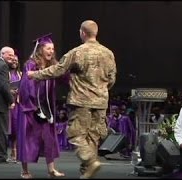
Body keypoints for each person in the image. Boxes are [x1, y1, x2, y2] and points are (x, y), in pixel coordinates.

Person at [27, 20, 117, 179]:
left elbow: (58, 70)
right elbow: (112, 79)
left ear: (82, 32)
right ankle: (87, 171)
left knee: (75, 134)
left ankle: (90, 161)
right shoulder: (108, 53)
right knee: (92, 137)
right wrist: (100, 90)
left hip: (81, 101)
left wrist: (35, 75)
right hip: (101, 102)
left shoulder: (77, 52)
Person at [17, 33, 65, 179]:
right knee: (27, 139)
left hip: (46, 108)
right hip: (30, 108)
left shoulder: (53, 65)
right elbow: (26, 86)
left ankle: (51, 169)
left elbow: (64, 77)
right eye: (48, 48)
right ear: (40, 50)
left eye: (52, 49)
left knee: (49, 138)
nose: (51, 51)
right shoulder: (30, 65)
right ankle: (24, 170)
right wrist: (33, 105)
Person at [6, 52, 22, 163]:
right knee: (9, 130)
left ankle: (15, 150)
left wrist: (20, 91)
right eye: (13, 60)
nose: (15, 62)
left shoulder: (21, 74)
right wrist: (10, 91)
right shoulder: (6, 73)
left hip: (18, 104)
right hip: (8, 105)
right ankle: (10, 151)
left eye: (16, 60)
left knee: (17, 129)